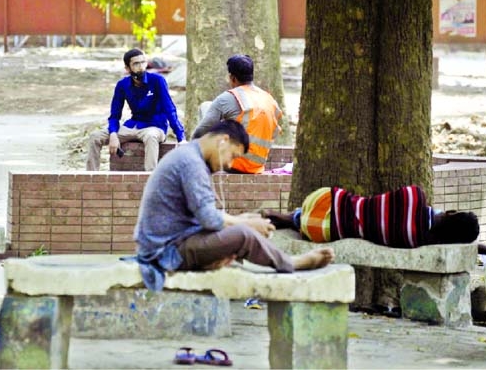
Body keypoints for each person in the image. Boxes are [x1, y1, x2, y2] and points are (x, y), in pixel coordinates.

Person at [133, 121, 334, 290]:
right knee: (242, 235)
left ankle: (266, 252)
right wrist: (246, 226)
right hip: (165, 251)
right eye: (233, 156)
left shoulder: (191, 157)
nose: (230, 165)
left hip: (176, 241)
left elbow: (203, 215)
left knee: (244, 223)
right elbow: (209, 218)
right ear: (223, 141)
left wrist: (245, 220)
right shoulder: (190, 163)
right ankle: (290, 262)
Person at [262, 185, 486, 257]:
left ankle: (292, 217)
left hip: (322, 200)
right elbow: (470, 247)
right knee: (333, 223)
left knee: (350, 205)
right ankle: (297, 220)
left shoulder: (415, 195)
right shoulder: (418, 240)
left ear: (450, 212)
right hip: (323, 232)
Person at [87, 48, 186, 171]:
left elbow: (169, 108)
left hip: (154, 127)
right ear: (127, 68)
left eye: (143, 62)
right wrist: (113, 133)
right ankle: (92, 176)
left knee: (151, 137)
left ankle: (150, 181)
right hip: (132, 126)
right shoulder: (122, 85)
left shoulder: (157, 81)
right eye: (136, 64)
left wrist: (181, 137)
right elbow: (114, 115)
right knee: (95, 136)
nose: (141, 67)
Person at [192, 54, 282, 174]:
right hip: (258, 165)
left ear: (232, 78)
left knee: (206, 106)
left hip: (233, 162)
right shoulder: (269, 99)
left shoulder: (227, 98)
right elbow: (274, 132)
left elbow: (200, 131)